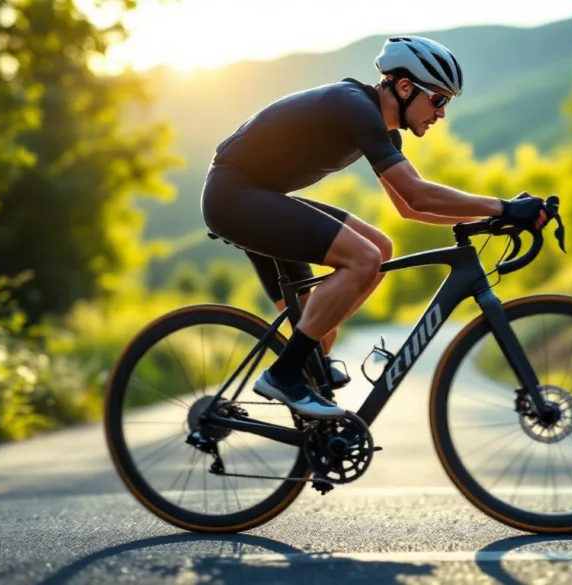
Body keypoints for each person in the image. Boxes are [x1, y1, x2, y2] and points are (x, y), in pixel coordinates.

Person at [200, 35, 548, 419]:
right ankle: (284, 375)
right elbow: (418, 195)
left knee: (375, 253)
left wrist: (493, 217)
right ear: (403, 87)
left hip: (260, 198)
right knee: (363, 258)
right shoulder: (352, 105)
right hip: (234, 197)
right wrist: (505, 207)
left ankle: (309, 410)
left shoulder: (383, 130)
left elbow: (408, 208)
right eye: (439, 100)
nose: (442, 113)